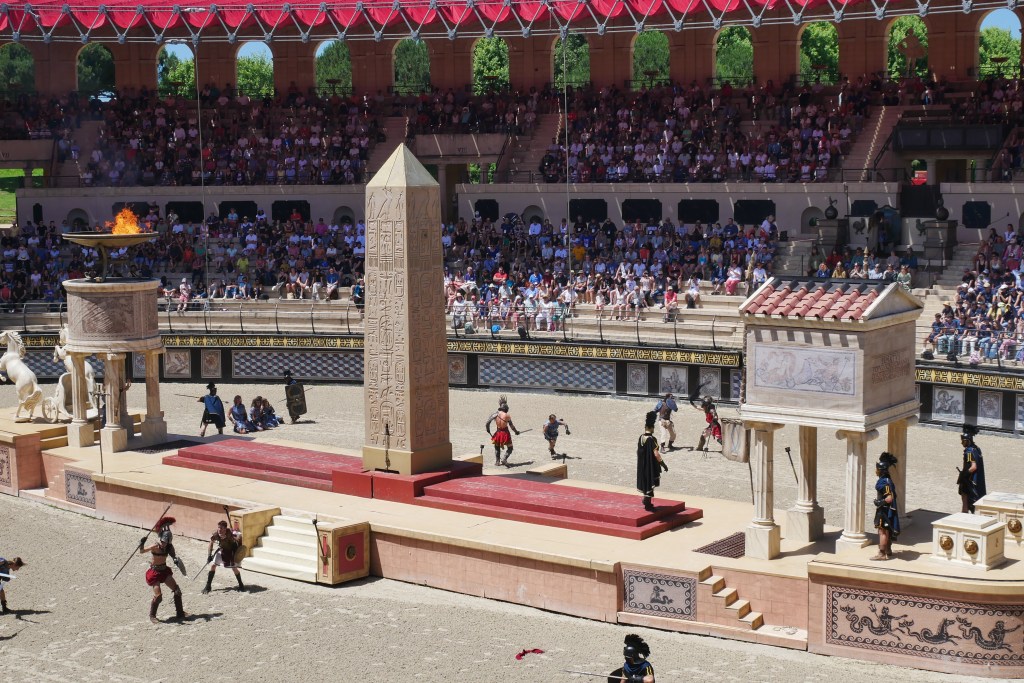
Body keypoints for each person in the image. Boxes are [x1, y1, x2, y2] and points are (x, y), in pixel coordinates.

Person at [140, 516, 186, 623]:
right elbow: (142, 551)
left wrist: (175, 560)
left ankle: (180, 613)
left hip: (164, 571)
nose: (165, 544)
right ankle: (152, 616)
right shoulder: (155, 546)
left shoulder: (169, 547)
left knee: (177, 591)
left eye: (167, 542)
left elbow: (174, 556)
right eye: (164, 541)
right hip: (155, 572)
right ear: (161, 538)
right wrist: (141, 543)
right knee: (159, 596)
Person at [637, 411, 669, 512]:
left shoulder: (641, 437)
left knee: (645, 481)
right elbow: (656, 454)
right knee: (650, 481)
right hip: (650, 465)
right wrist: (663, 464)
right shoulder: (652, 439)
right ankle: (647, 502)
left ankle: (646, 499)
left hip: (642, 464)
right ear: (651, 428)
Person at [871, 452, 900, 561]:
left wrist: (880, 502)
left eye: (878, 469)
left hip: (884, 510)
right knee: (886, 529)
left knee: (882, 531)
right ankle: (888, 549)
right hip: (884, 509)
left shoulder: (885, 482)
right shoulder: (886, 480)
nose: (876, 470)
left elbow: (889, 497)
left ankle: (882, 553)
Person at [202, 521, 245, 594]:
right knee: (213, 565)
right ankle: (208, 585)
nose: (219, 529)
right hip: (221, 551)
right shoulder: (216, 534)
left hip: (230, 552)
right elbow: (211, 543)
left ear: (225, 529)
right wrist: (209, 555)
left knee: (234, 568)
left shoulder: (229, 534)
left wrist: (228, 537)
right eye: (218, 527)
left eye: (221, 528)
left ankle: (241, 585)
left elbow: (234, 540)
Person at [485, 395, 520, 467]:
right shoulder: (507, 416)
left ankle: (497, 462)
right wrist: (516, 432)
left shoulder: (495, 414)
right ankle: (504, 459)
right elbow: (511, 426)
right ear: (506, 409)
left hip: (498, 433)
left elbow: (487, 422)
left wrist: (488, 429)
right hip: (505, 433)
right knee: (510, 448)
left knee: (497, 447)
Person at [959, 427, 987, 513]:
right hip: (973, 478)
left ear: (968, 441)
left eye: (964, 441)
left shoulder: (969, 452)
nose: (962, 443)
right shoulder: (976, 449)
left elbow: (973, 466)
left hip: (969, 479)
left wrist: (964, 475)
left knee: (965, 495)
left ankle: (964, 513)